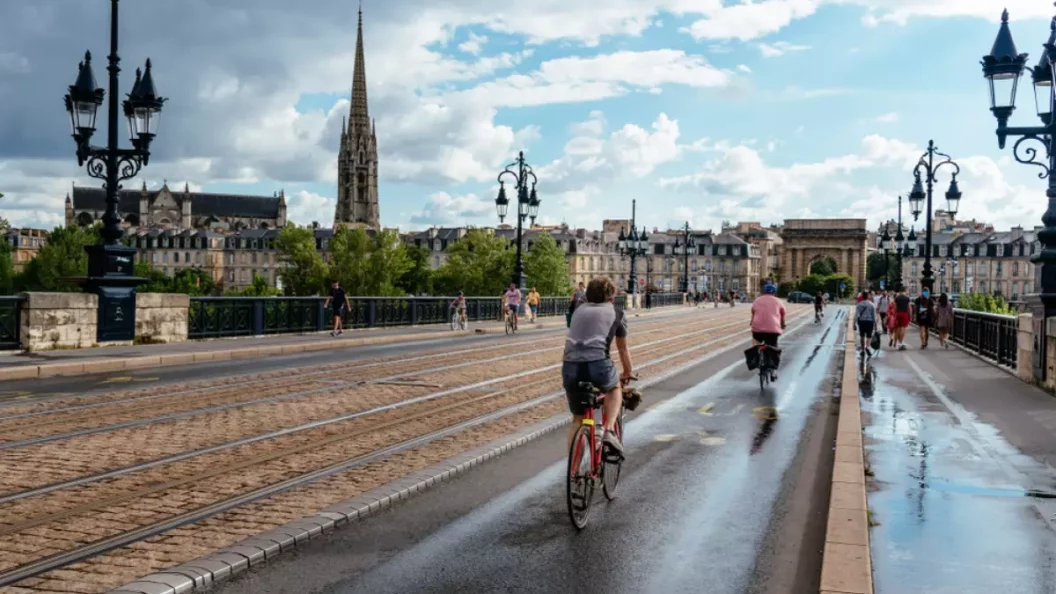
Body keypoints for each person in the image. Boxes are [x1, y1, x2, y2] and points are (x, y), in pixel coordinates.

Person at [562, 277, 633, 456]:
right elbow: (623, 349)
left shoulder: (578, 310)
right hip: (598, 365)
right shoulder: (616, 312)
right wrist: (627, 372)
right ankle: (608, 431)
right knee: (614, 388)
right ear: (611, 298)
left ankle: (574, 468)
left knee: (577, 420)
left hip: (570, 366)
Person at [750, 283, 787, 381]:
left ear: (764, 291)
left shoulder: (757, 300)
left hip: (757, 329)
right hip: (772, 329)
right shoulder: (778, 301)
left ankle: (757, 357)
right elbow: (782, 314)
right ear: (774, 292)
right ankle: (774, 371)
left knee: (756, 342)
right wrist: (782, 324)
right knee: (773, 347)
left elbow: (753, 312)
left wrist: (752, 323)